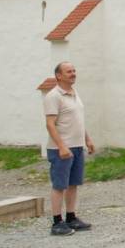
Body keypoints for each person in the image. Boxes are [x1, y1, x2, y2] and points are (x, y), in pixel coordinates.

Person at [42, 62, 95, 236]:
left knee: (73, 184)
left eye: (74, 70)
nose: (73, 73)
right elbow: (50, 125)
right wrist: (62, 146)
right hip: (61, 149)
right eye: (68, 71)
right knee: (59, 185)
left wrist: (87, 139)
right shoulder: (53, 96)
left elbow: (78, 120)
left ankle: (71, 217)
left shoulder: (74, 93)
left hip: (77, 146)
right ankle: (57, 223)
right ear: (58, 75)